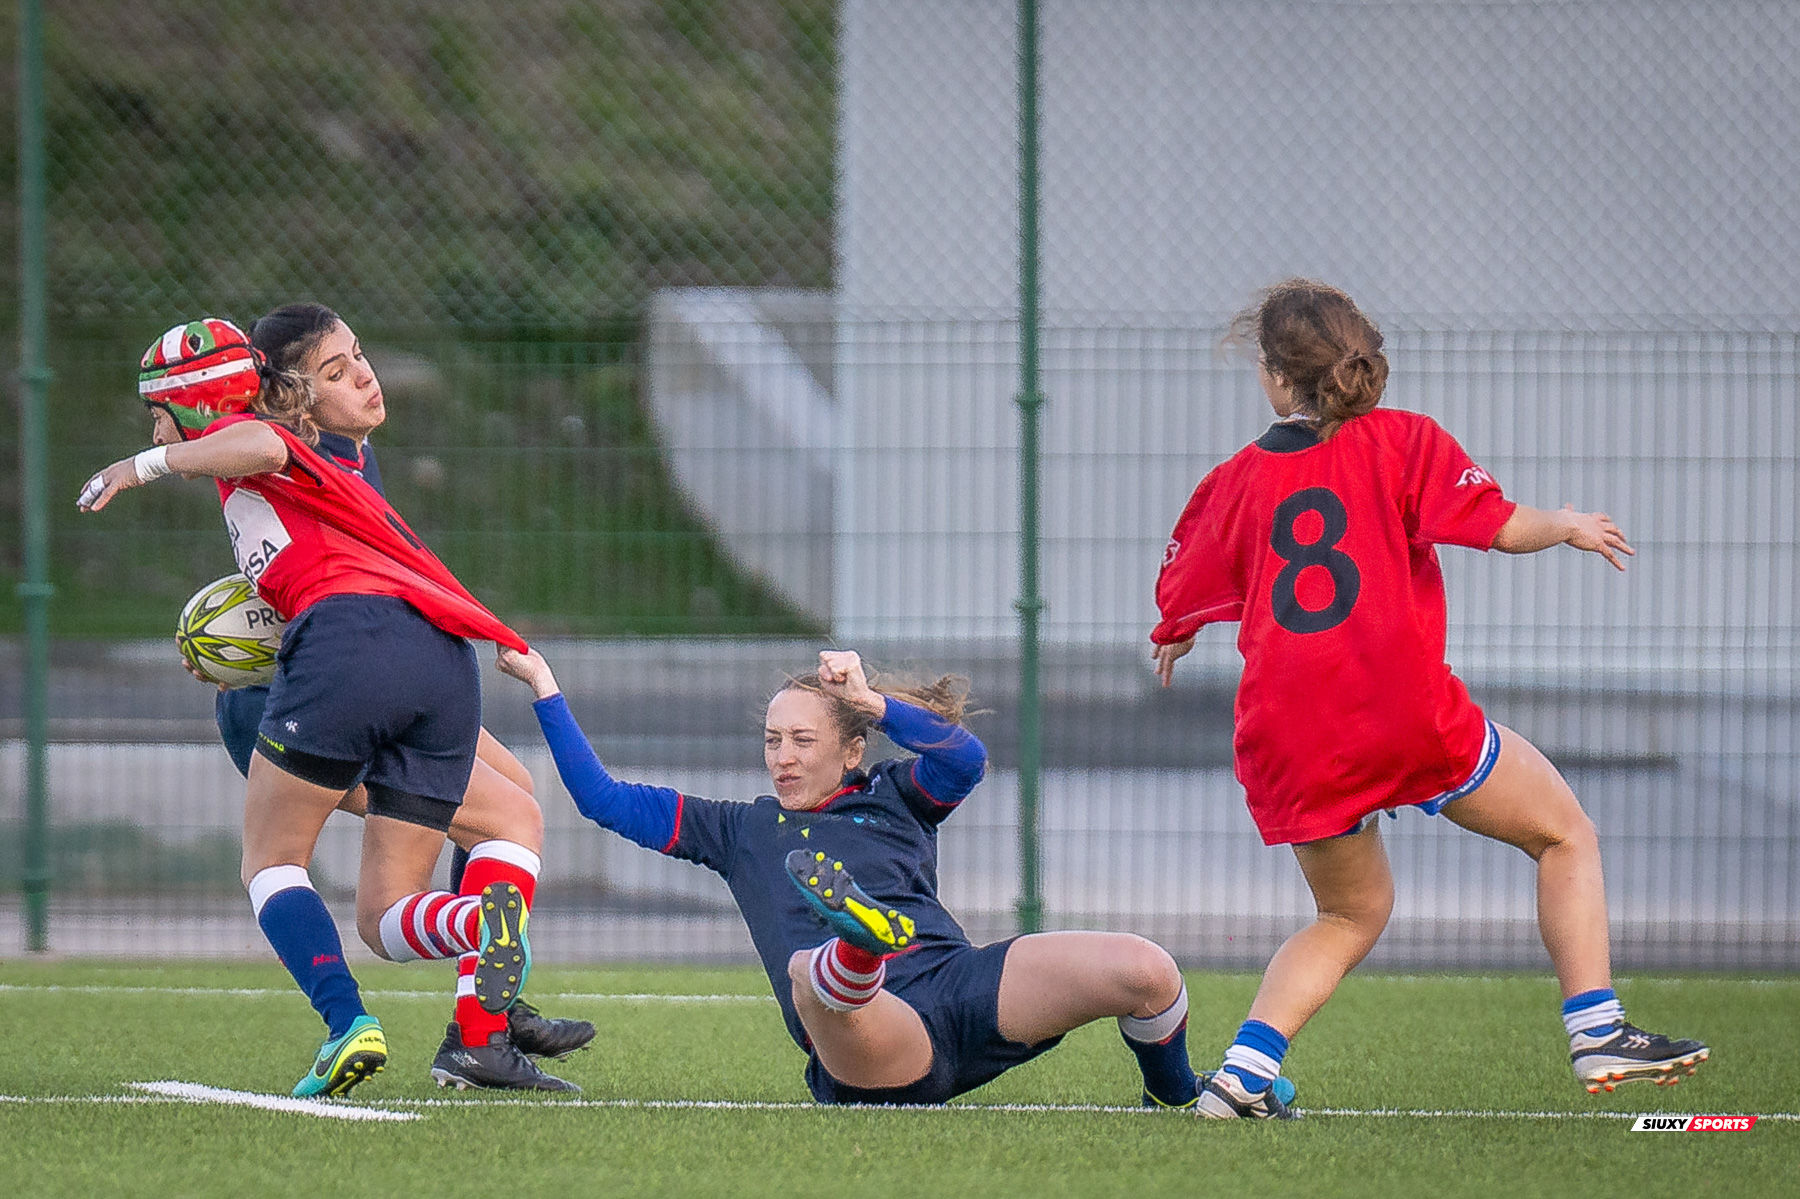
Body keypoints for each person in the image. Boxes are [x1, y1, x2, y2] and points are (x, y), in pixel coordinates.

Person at [1149, 279, 1708, 1118]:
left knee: (1346, 913)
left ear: (1271, 377)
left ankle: (1239, 1079)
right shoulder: (1403, 442)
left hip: (1294, 735)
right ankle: (1597, 1027)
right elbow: (1497, 523)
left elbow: (1183, 593)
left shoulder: (1234, 480)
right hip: (1403, 715)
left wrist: (1179, 630)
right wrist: (1566, 523)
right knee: (1565, 834)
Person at [82, 306, 581, 1096]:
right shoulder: (299, 450)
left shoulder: (297, 443)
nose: (365, 375)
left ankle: (391, 1014)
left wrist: (145, 465)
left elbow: (264, 443)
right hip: (422, 656)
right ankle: (484, 1010)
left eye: (360, 356)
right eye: (339, 368)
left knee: (291, 867)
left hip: (352, 658)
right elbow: (261, 448)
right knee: (504, 815)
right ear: (287, 392)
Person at [497, 644, 1290, 1110]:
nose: (782, 755)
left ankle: (1180, 1093)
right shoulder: (737, 829)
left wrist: (872, 700)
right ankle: (857, 946)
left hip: (959, 986)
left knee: (1146, 969)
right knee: (815, 975)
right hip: (874, 1044)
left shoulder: (897, 795)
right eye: (773, 740)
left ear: (851, 748)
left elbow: (964, 758)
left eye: (802, 739)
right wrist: (545, 687)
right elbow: (601, 799)